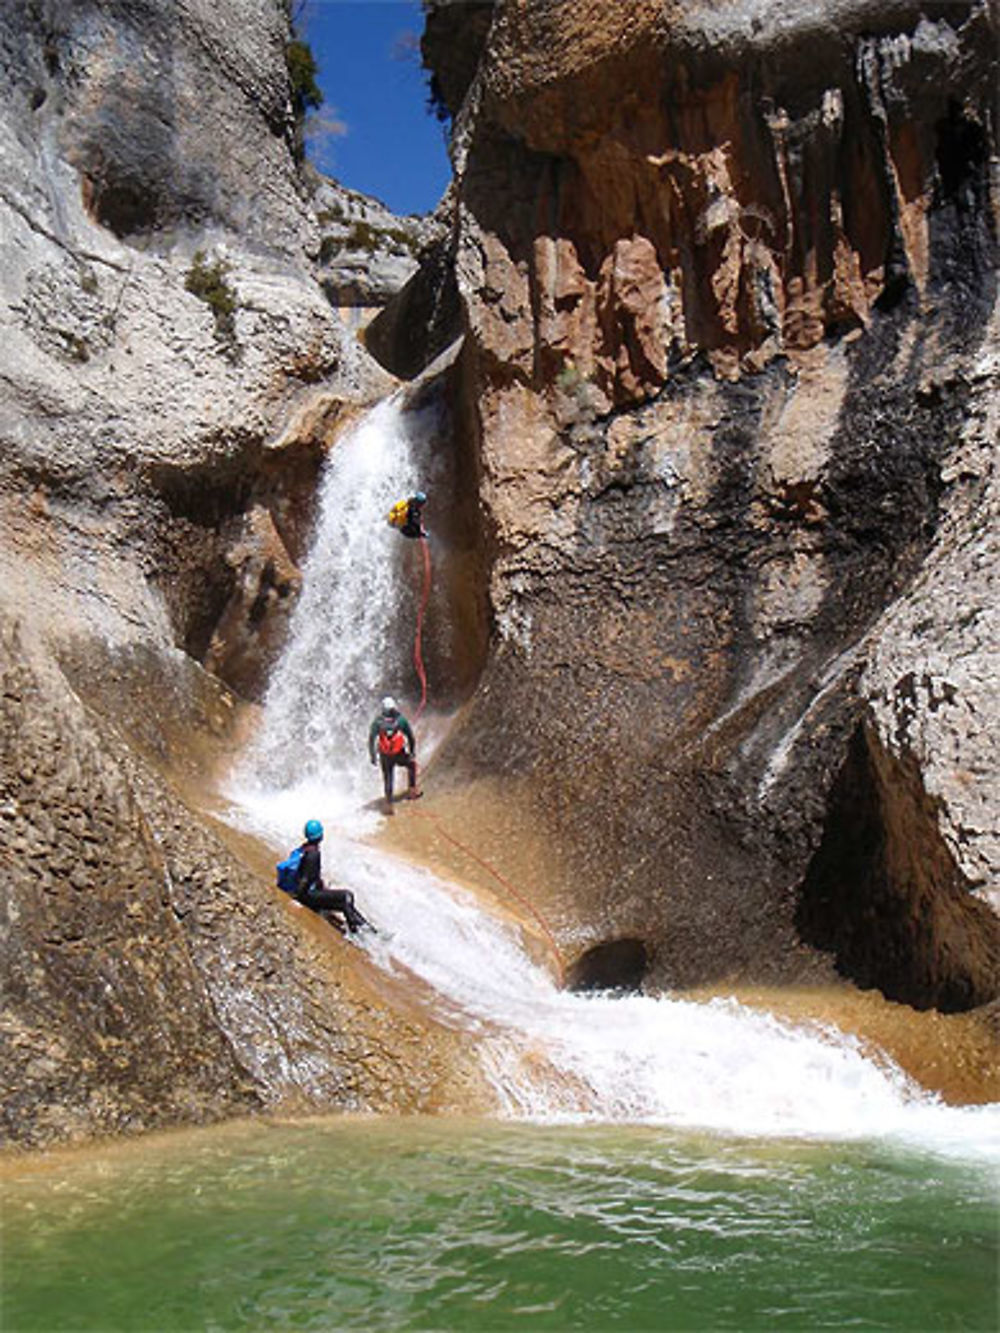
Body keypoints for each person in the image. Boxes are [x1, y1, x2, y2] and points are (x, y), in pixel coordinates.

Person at [294, 819, 369, 933]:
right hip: (309, 896)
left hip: (310, 893)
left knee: (344, 905)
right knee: (347, 896)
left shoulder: (305, 848)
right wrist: (298, 899)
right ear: (320, 836)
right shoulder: (314, 854)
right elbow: (306, 879)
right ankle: (356, 931)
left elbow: (308, 875)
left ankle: (369, 930)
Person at [368, 696, 420, 809]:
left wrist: (373, 756)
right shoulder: (401, 720)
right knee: (411, 765)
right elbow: (411, 737)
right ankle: (412, 791)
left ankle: (389, 803)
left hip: (385, 756)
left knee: (388, 777)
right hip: (399, 754)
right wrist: (411, 753)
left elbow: (371, 739)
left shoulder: (377, 722)